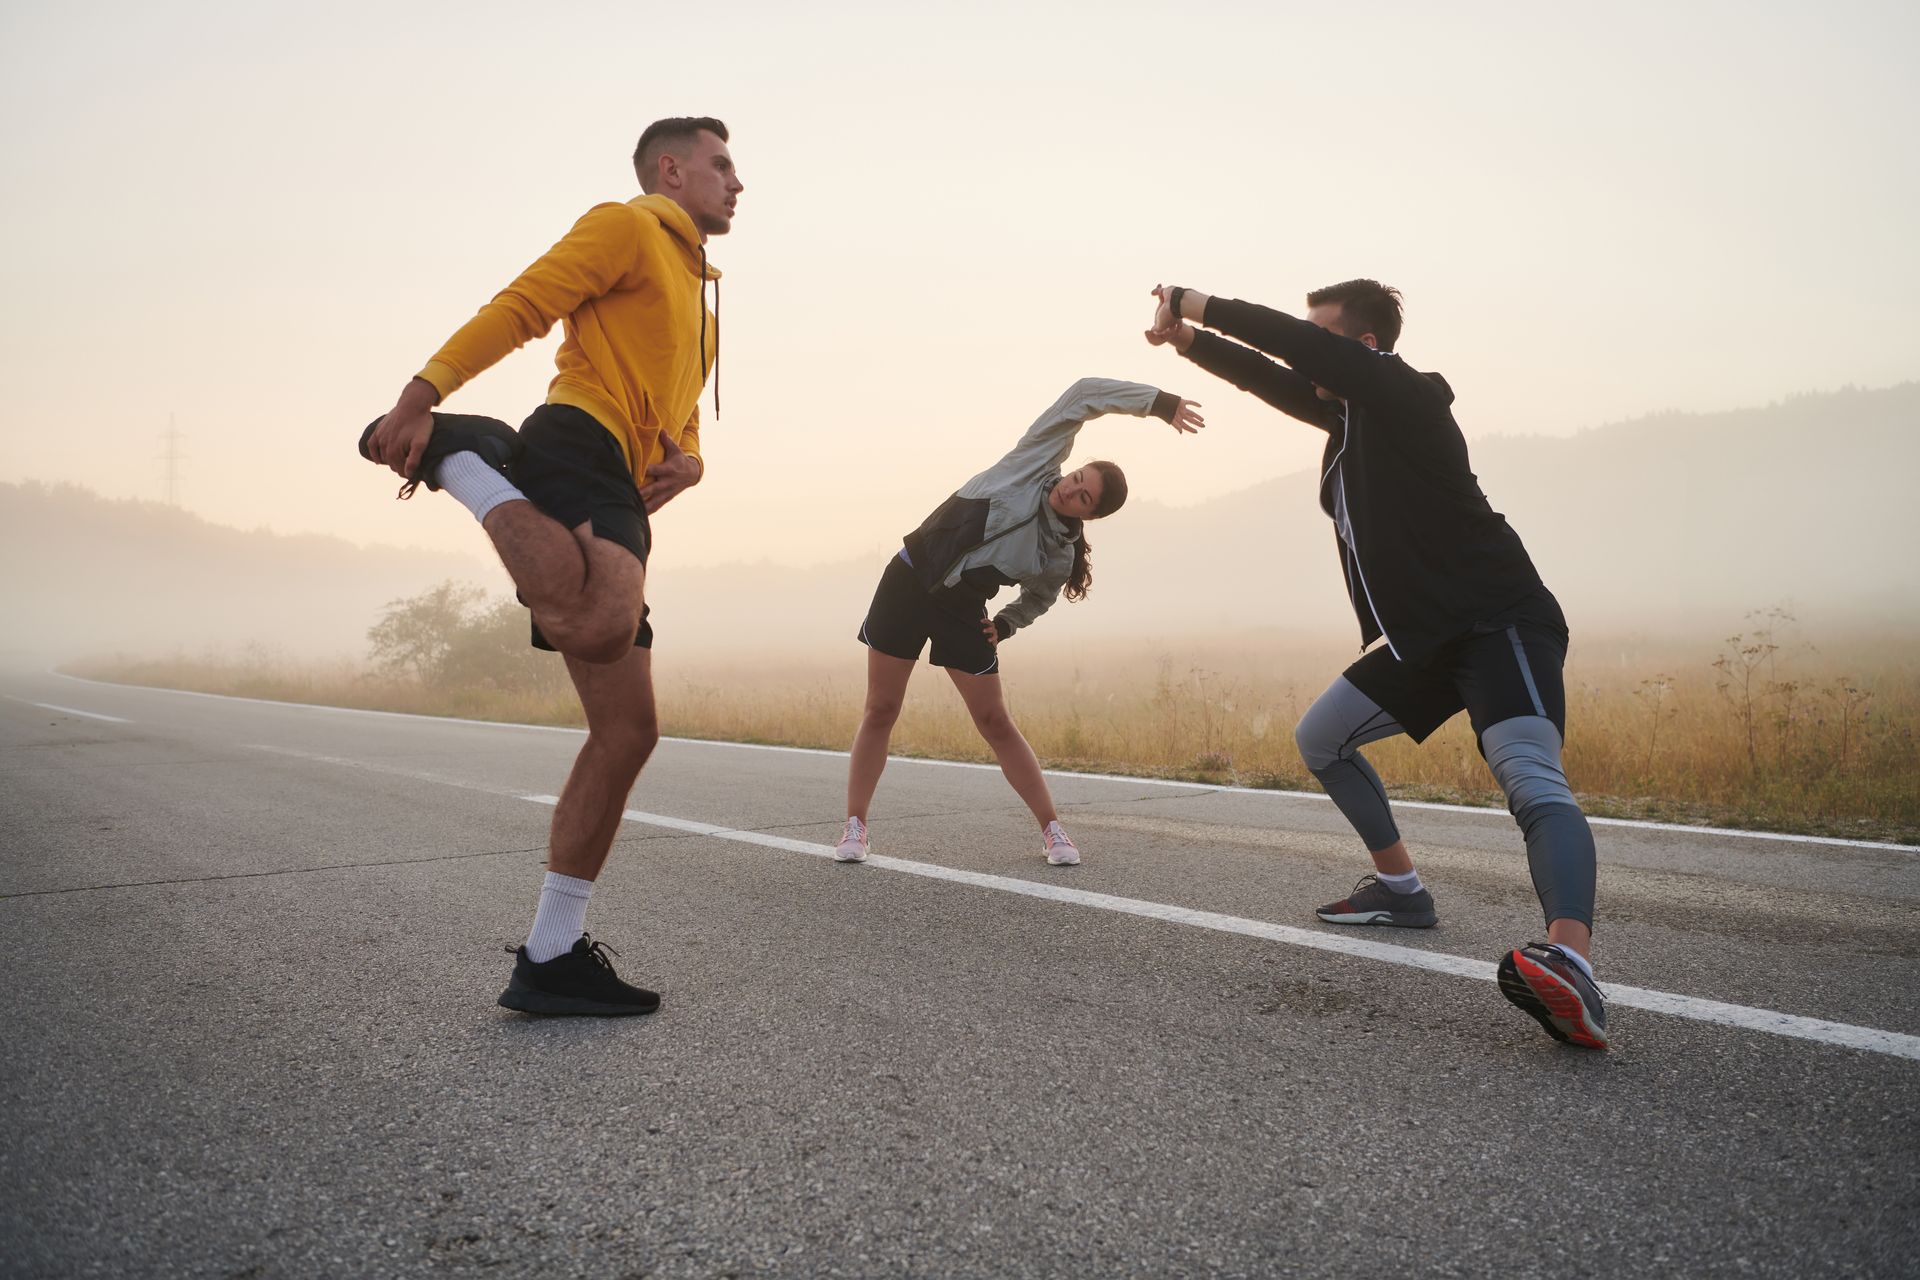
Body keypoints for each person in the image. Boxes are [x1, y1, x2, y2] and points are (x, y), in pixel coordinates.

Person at [1145, 281, 1608, 1049]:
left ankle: (1572, 964)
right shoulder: (1350, 416)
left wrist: (1197, 303)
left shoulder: (1406, 393)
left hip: (1500, 622)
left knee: (1528, 772)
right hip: (1424, 640)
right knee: (1322, 738)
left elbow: (1295, 353)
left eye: (1321, 333)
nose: (1306, 344)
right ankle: (1401, 891)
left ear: (1362, 346)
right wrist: (1187, 343)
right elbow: (1276, 378)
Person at [357, 117, 743, 1017]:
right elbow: (524, 304)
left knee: (630, 731)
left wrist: (689, 462)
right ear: (672, 169)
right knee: (600, 621)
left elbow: (681, 428)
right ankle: (461, 456)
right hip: (574, 439)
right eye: (721, 165)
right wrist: (421, 397)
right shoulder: (625, 224)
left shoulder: (704, 313)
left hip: (614, 472)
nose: (737, 183)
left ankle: (550, 955)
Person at [834, 378, 1203, 867]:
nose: (1070, 490)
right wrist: (1159, 404)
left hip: (963, 609)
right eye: (1077, 478)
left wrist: (1005, 625)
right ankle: (855, 826)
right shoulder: (1034, 461)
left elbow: (1040, 596)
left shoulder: (1059, 553)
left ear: (1090, 514)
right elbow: (1084, 395)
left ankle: (1053, 831)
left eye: (1084, 498)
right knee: (881, 708)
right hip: (908, 577)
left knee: (995, 721)